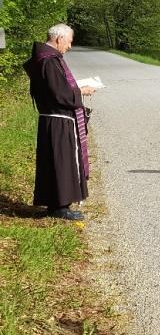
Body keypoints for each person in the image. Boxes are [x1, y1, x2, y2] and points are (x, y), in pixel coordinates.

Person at [23, 23, 96, 221]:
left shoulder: (44, 59)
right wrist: (81, 91)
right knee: (62, 163)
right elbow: (60, 94)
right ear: (59, 39)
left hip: (52, 119)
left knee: (54, 162)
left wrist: (75, 89)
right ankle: (60, 207)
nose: (70, 46)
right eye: (69, 42)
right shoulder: (49, 61)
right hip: (59, 120)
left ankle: (55, 205)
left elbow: (55, 88)